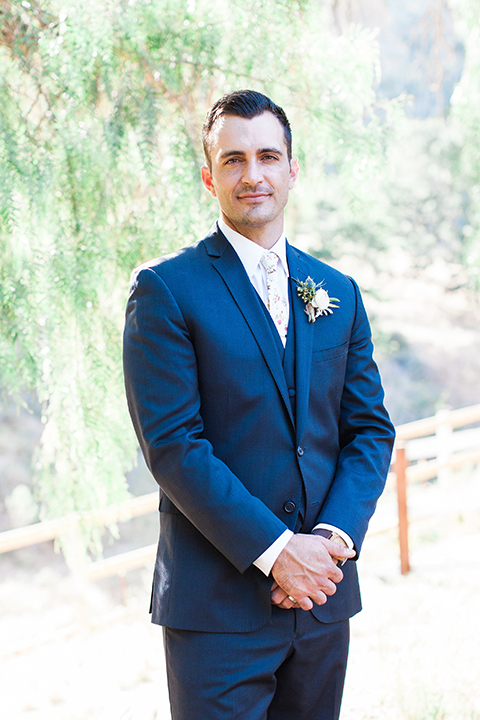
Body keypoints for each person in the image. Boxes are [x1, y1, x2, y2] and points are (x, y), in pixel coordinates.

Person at [123, 89, 395, 720]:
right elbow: (174, 447)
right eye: (234, 160)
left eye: (268, 156)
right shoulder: (165, 289)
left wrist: (329, 541)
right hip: (216, 613)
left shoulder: (337, 291)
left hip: (322, 602)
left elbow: (370, 432)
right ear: (208, 176)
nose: (253, 175)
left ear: (291, 170)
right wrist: (278, 551)